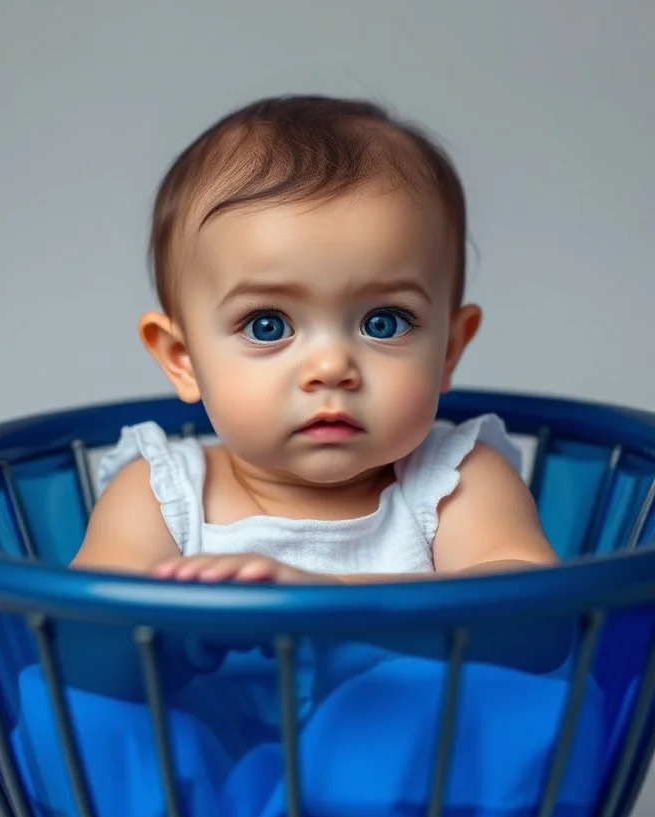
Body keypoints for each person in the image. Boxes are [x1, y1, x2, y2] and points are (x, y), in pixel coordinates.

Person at [72, 94, 556, 583]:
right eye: (268, 326)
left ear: (448, 350)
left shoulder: (455, 481)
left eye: (383, 322)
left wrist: (323, 597)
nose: (330, 367)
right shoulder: (161, 495)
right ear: (183, 359)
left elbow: (532, 619)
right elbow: (84, 642)